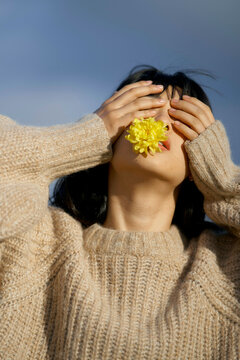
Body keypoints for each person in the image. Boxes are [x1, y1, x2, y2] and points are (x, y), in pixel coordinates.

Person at [0, 65, 239, 359]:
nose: (160, 122)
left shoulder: (225, 266)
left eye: (180, 119)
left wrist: (223, 179)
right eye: (142, 109)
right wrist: (85, 135)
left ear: (199, 158)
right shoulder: (39, 245)